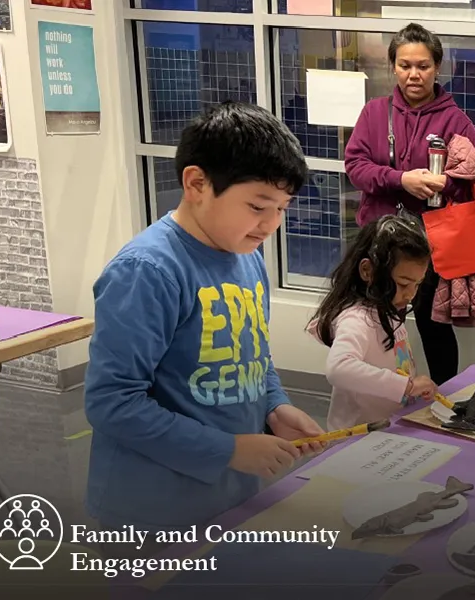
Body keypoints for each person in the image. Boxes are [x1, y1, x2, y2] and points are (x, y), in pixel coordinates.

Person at [84, 102, 327, 545]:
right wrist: (229, 449)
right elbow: (111, 402)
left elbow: (253, 352)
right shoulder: (147, 271)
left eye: (282, 208)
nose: (271, 224)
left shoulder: (246, 256)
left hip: (230, 494)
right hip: (151, 513)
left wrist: (274, 406)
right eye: (258, 206)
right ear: (196, 183)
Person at [342, 22, 475, 386]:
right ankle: (377, 393)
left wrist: (448, 183)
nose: (414, 74)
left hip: (432, 244)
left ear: (437, 68)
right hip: (379, 240)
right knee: (373, 321)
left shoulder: (454, 119)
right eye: (405, 65)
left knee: (433, 325)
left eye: (423, 66)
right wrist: (402, 179)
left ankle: (447, 401)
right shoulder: (374, 113)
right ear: (393, 66)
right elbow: (356, 167)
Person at [307, 215, 440, 430]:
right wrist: (407, 386)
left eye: (417, 284)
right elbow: (338, 369)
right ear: (368, 271)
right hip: (355, 443)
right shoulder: (356, 319)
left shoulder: (387, 308)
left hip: (386, 433)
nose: (411, 294)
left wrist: (411, 390)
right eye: (403, 283)